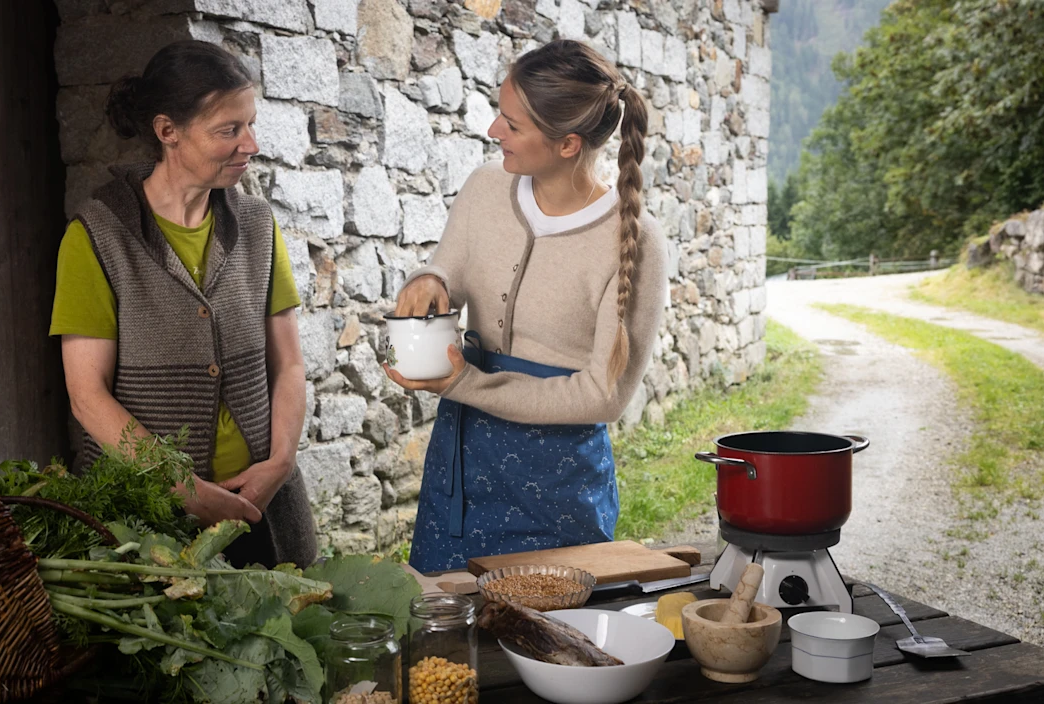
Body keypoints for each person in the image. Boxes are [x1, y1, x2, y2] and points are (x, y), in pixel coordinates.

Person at [386, 40, 669, 573]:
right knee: (448, 638)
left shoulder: (634, 242)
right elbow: (451, 267)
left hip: (557, 484)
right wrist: (429, 278)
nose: (495, 131)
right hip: (461, 464)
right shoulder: (485, 188)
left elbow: (602, 395)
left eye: (512, 125)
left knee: (554, 637)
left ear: (566, 144)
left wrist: (465, 385)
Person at [50, 41, 317, 568]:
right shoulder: (99, 236)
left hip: (263, 507)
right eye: (229, 130)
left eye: (250, 124)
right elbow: (87, 396)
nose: (251, 144)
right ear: (167, 131)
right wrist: (181, 487)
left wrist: (280, 462)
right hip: (146, 523)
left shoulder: (258, 226)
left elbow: (288, 364)